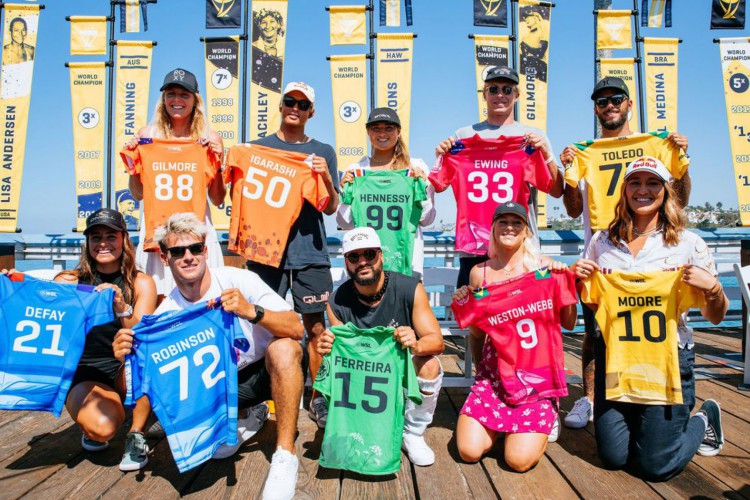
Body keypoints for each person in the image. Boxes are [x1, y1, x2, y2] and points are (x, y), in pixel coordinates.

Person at [113, 212, 305, 500]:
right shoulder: (166, 315)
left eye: (195, 248)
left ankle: (285, 455)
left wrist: (252, 312)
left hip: (263, 373)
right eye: (178, 251)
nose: (188, 256)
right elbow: (137, 387)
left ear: (205, 251)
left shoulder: (240, 279)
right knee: (218, 453)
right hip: (216, 387)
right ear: (165, 258)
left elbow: (296, 327)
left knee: (285, 348)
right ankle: (250, 416)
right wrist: (124, 358)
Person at [570, 157, 727, 481]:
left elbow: (716, 317)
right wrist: (576, 278)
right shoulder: (602, 241)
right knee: (613, 457)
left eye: (652, 182)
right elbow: (584, 302)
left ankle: (704, 419)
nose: (643, 190)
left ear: (665, 190)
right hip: (617, 361)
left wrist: (712, 288)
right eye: (635, 183)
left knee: (656, 467)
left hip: (667, 361)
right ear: (625, 190)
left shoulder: (688, 243)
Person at [560, 76, 691, 429]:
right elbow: (573, 209)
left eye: (616, 98)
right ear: (596, 109)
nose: (610, 105)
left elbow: (681, 198)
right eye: (602, 101)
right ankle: (589, 400)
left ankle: (660, 398)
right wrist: (567, 172)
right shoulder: (585, 150)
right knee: (595, 331)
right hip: (606, 246)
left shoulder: (656, 143)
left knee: (659, 325)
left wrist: (683, 158)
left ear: (629, 104)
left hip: (654, 247)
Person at [452, 202, 577, 471]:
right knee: (468, 451)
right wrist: (466, 302)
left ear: (527, 232)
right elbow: (477, 331)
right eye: (503, 222)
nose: (510, 227)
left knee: (517, 461)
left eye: (517, 222)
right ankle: (508, 428)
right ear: (493, 229)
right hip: (495, 374)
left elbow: (568, 323)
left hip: (536, 378)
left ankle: (542, 417)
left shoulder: (543, 268)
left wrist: (563, 283)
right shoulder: (479, 272)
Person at [250, 81, 340, 430]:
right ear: (281, 105)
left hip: (311, 251)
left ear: (311, 112)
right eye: (290, 101)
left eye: (302, 105)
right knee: (260, 327)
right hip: (265, 251)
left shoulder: (323, 150)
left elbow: (332, 207)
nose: (295, 108)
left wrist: (325, 178)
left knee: (317, 327)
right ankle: (259, 400)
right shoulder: (256, 147)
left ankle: (318, 398)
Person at [318, 227, 445, 466]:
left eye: (369, 254)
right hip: (364, 377)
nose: (362, 261)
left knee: (429, 365)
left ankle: (413, 432)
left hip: (400, 369)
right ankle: (361, 424)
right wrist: (328, 346)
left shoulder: (410, 288)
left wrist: (415, 344)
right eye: (354, 257)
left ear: (381, 256)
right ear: (346, 262)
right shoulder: (336, 301)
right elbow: (341, 354)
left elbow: (436, 341)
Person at [434, 64, 563, 287]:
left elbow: (556, 189)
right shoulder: (462, 138)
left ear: (517, 95)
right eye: (493, 89)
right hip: (475, 248)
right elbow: (437, 185)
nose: (500, 95)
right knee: (475, 319)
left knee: (521, 318)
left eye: (507, 89)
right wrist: (441, 155)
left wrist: (546, 154)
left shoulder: (530, 139)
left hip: (520, 246)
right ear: (484, 95)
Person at [54, 208, 157, 471]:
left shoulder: (140, 282)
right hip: (88, 373)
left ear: (124, 240)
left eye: (111, 236)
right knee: (103, 429)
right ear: (87, 243)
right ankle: (96, 420)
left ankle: (137, 432)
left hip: (127, 370)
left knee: (148, 353)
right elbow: (39, 305)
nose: (102, 243)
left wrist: (122, 306)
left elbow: (143, 330)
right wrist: (14, 282)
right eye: (95, 236)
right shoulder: (68, 280)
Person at [124, 68, 226, 297]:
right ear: (163, 98)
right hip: (157, 231)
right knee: (156, 297)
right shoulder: (147, 135)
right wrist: (134, 162)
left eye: (184, 94)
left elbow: (218, 199)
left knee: (205, 297)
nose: (177, 100)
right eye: (171, 94)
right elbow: (138, 194)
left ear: (195, 100)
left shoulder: (208, 137)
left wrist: (220, 163)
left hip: (197, 231)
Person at [337, 107, 436, 278]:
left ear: (398, 132)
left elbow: (426, 219)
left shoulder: (415, 168)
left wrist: (423, 189)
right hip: (366, 265)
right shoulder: (357, 170)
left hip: (407, 263)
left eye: (388, 128)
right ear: (368, 132)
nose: (382, 133)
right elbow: (344, 222)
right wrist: (346, 196)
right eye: (376, 128)